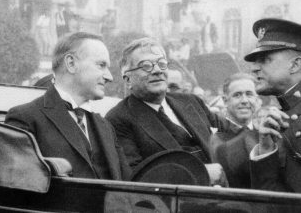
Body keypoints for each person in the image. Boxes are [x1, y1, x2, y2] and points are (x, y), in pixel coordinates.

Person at [105, 37, 232, 186]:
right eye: (146, 66)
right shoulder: (118, 119)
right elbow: (135, 178)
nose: (157, 70)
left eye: (162, 64)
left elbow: (232, 135)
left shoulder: (191, 102)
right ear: (128, 80)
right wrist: (199, 173)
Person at [5, 32, 130, 180]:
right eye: (101, 65)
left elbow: (128, 186)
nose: (110, 77)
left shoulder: (106, 127)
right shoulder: (25, 118)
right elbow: (18, 189)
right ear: (71, 63)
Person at [244, 18, 301, 192]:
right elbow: (269, 200)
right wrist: (266, 150)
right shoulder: (280, 116)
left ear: (295, 65)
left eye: (265, 59)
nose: (254, 68)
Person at [210, 73, 260, 188]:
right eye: (237, 95)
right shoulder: (218, 138)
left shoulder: (264, 132)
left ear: (256, 99)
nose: (244, 100)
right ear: (225, 101)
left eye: (249, 94)